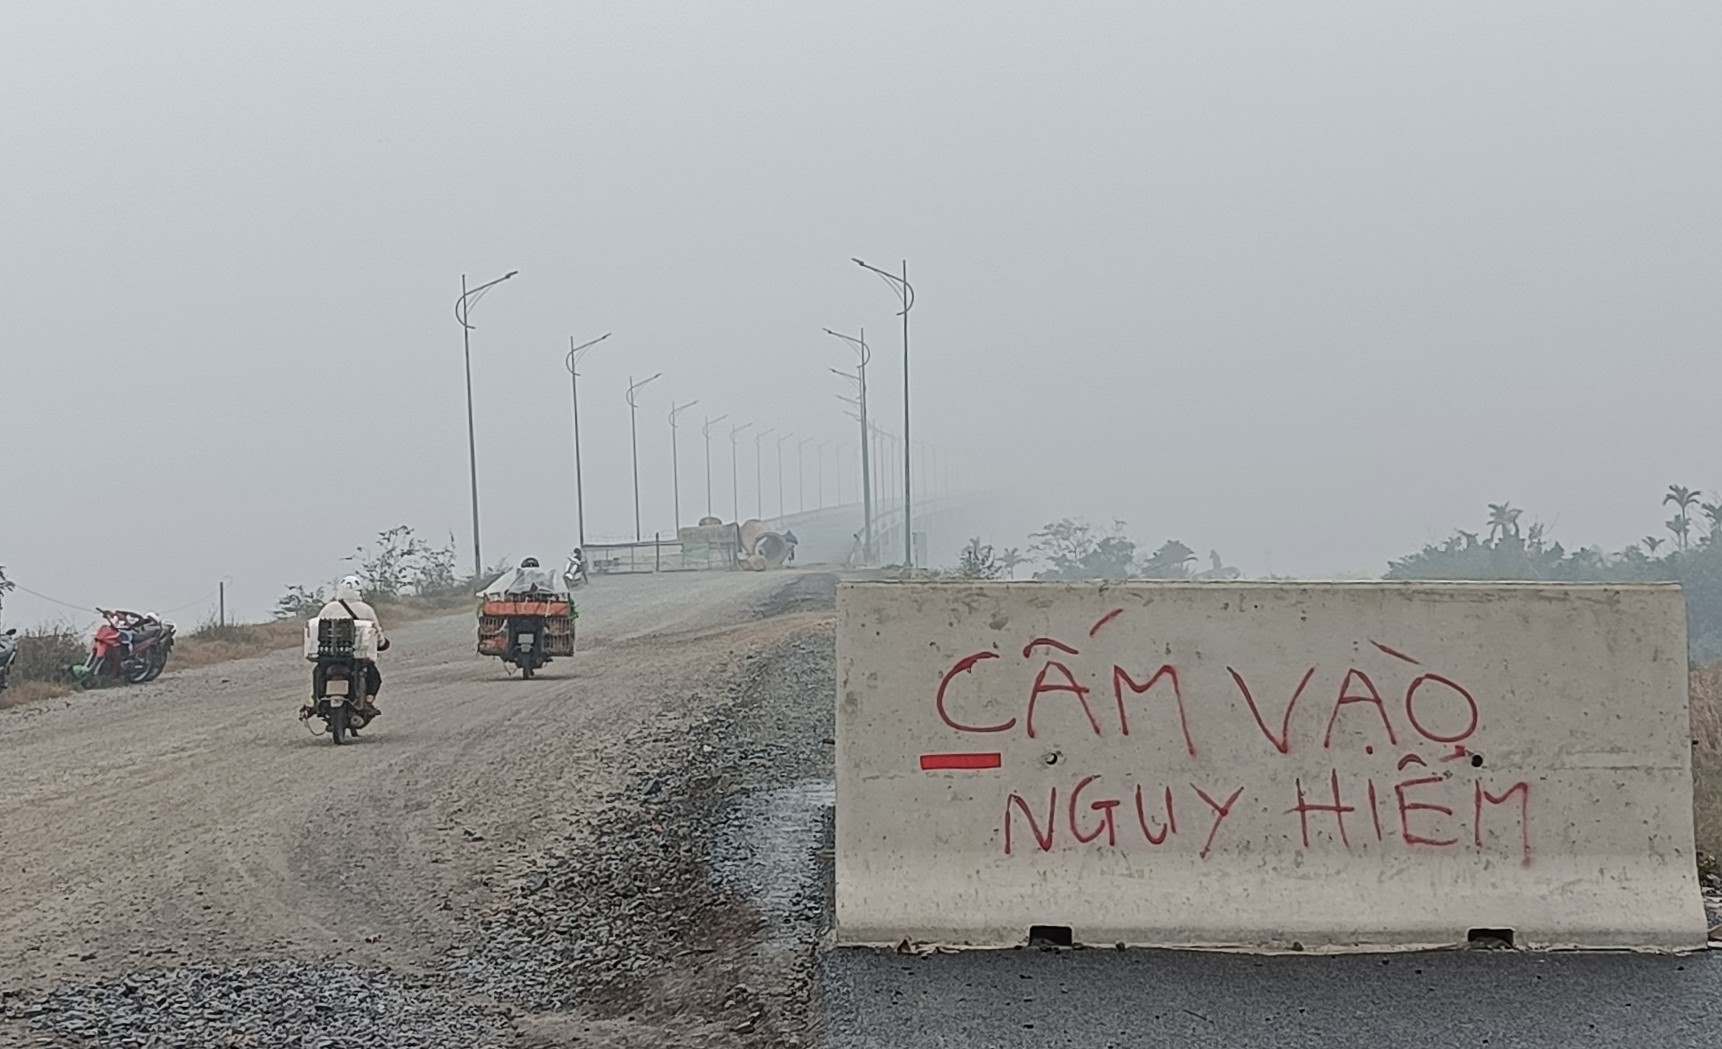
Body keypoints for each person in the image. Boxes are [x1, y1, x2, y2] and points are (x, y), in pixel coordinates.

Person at [315, 576, 390, 714]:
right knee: (374, 678)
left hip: (329, 656)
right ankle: (368, 701)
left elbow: (317, 628)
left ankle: (317, 699)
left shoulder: (329, 608)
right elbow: (376, 631)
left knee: (318, 672)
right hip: (356, 658)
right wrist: (382, 643)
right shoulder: (366, 610)